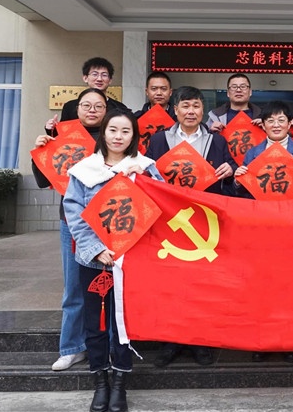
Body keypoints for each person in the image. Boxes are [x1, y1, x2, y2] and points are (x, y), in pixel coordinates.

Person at [63, 109, 163, 412]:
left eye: (125, 131)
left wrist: (143, 177)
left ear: (134, 136)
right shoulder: (84, 170)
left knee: (124, 323)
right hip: (94, 261)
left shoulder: (145, 167)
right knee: (96, 323)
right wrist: (95, 249)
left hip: (131, 261)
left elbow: (161, 205)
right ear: (103, 132)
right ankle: (100, 383)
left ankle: (120, 383)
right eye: (113, 130)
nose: (118, 137)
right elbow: (74, 214)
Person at [145, 86, 237, 367]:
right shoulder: (160, 139)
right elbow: (148, 175)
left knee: (201, 283)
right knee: (170, 283)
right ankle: (170, 341)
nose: (190, 111)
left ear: (202, 110)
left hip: (204, 223)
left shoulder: (216, 141)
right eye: (185, 106)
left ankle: (200, 341)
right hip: (169, 223)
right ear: (175, 110)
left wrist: (230, 171)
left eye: (196, 106)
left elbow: (231, 169)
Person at [31, 88, 109, 371]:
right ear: (77, 110)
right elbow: (43, 181)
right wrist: (41, 150)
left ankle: (109, 347)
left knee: (109, 289)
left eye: (98, 106)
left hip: (109, 223)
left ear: (107, 110)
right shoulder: (62, 139)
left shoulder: (114, 137)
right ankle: (72, 348)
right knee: (74, 286)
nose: (92, 110)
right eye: (86, 105)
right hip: (73, 222)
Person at [234, 100, 293, 363]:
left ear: (290, 123)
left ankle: (290, 340)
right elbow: (245, 196)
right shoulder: (253, 153)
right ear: (263, 125)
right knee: (262, 286)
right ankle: (263, 341)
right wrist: (240, 180)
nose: (276, 125)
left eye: (281, 120)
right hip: (263, 230)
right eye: (271, 120)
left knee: (291, 286)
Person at [45, 57, 129, 132]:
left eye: (104, 75)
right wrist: (51, 129)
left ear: (110, 80)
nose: (99, 79)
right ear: (85, 78)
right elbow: (63, 134)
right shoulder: (70, 106)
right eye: (95, 74)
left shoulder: (119, 108)